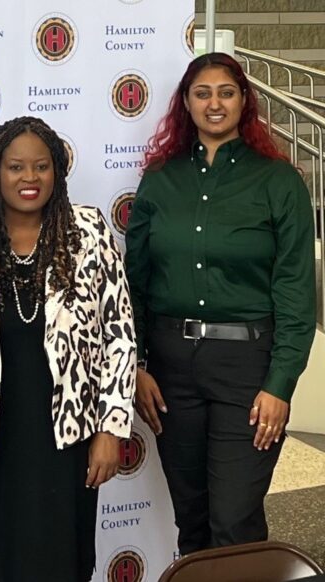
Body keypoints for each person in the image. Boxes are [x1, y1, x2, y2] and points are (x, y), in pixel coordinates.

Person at [125, 52, 316, 556]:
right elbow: (136, 283)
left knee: (235, 520)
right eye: (202, 93)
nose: (214, 103)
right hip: (170, 370)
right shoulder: (161, 180)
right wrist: (139, 365)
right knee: (192, 520)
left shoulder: (279, 182)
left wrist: (280, 384)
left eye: (226, 92)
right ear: (185, 103)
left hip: (248, 370)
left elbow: (296, 290)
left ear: (244, 101)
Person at [0, 116, 136, 582]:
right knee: (4, 559)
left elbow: (120, 333)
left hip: (70, 436)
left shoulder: (89, 230)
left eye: (42, 166)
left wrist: (112, 427)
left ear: (58, 171)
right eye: (16, 167)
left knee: (67, 559)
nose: (29, 178)